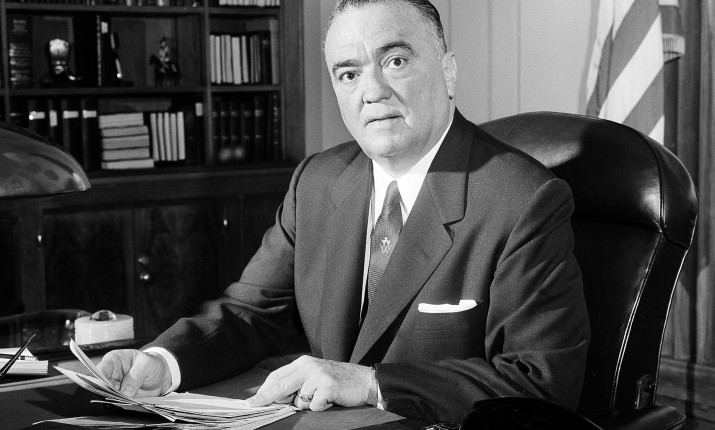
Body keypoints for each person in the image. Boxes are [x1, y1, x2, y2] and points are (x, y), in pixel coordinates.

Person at [97, 0, 590, 424]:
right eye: (349, 73)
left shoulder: (521, 200)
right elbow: (252, 313)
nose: (371, 91)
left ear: (448, 72)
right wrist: (164, 362)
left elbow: (541, 382)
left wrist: (372, 383)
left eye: (395, 61)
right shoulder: (316, 181)